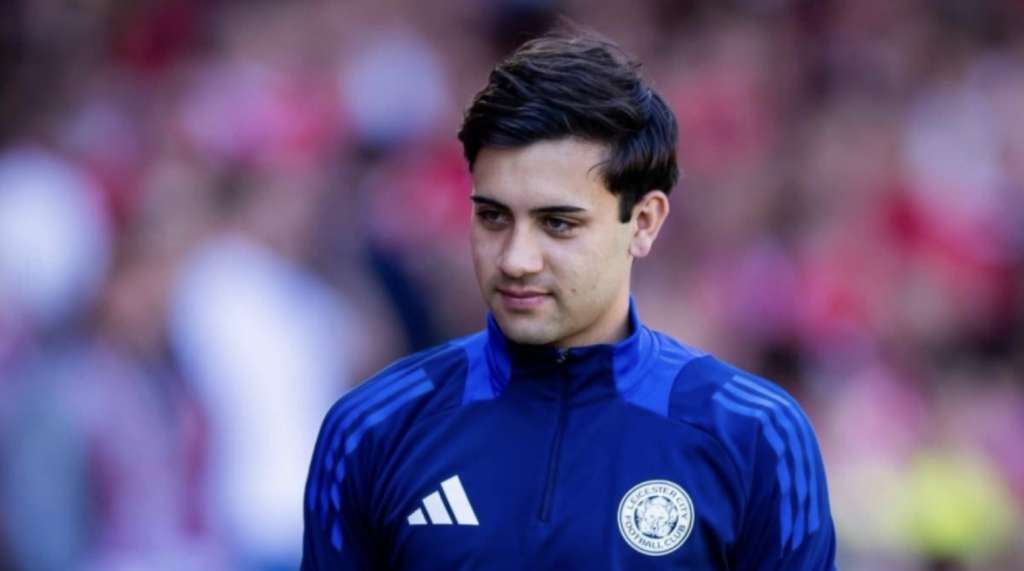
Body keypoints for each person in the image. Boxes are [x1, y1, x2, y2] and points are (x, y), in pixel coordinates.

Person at [301, 28, 838, 570]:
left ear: (644, 223)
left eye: (558, 223)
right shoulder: (372, 429)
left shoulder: (755, 435)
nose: (515, 259)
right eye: (493, 217)